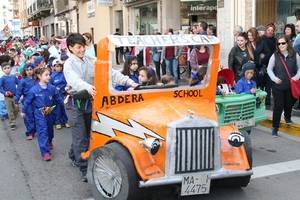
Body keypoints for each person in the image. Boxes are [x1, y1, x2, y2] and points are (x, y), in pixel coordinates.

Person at [63, 33, 96, 182]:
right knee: (81, 137)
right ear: (70, 48)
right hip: (74, 103)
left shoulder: (91, 60)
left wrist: (128, 82)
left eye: (83, 46)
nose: (82, 49)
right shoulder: (68, 64)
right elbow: (75, 82)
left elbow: (110, 73)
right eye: (78, 47)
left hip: (88, 101)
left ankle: (73, 153)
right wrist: (89, 88)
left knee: (86, 134)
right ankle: (84, 168)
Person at [23, 67, 63, 161]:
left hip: (50, 112)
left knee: (50, 130)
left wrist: (63, 103)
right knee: (42, 131)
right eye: (46, 75)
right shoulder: (34, 90)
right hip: (39, 114)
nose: (49, 77)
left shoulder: (52, 88)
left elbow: (58, 98)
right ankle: (45, 152)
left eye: (49, 74)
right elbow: (27, 101)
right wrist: (23, 111)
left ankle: (49, 142)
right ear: (39, 76)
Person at [267, 35, 300, 137]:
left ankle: (287, 117)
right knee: (278, 106)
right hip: (278, 86)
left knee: (289, 104)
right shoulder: (274, 55)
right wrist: (274, 78)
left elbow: (299, 68)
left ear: (287, 43)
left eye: (283, 43)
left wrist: (297, 77)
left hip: (290, 85)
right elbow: (269, 69)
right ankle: (275, 128)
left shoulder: (295, 55)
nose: (281, 45)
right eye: (279, 43)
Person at [15, 64, 36, 140]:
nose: (29, 71)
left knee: (37, 117)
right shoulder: (23, 81)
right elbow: (18, 92)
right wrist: (16, 100)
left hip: (37, 101)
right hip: (27, 101)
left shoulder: (36, 79)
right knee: (28, 118)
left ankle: (35, 130)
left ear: (34, 70)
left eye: (31, 69)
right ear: (25, 71)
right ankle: (30, 132)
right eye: (27, 70)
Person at [50, 59, 70, 130]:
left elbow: (67, 83)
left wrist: (66, 90)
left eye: (60, 66)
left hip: (63, 94)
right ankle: (58, 122)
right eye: (57, 66)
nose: (59, 68)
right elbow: (50, 86)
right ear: (54, 67)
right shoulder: (52, 76)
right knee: (57, 109)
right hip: (56, 95)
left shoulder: (64, 74)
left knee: (63, 108)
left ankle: (65, 121)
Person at [261, 23, 277, 107]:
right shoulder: (262, 39)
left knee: (268, 85)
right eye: (268, 30)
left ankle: (267, 102)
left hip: (271, 65)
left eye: (272, 30)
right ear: (266, 31)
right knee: (261, 85)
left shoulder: (275, 40)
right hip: (263, 65)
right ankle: (260, 102)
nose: (270, 32)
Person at [0, 62, 19, 130]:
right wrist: (5, 92)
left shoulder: (13, 76)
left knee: (16, 108)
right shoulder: (2, 78)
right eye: (5, 68)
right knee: (9, 110)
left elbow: (19, 83)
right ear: (2, 70)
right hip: (7, 97)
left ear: (10, 68)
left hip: (15, 95)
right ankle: (12, 123)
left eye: (8, 68)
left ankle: (13, 117)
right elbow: (0, 87)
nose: (7, 69)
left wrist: (19, 92)